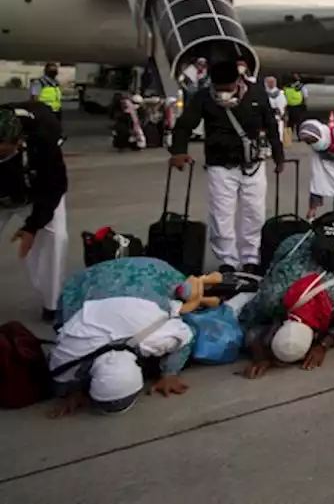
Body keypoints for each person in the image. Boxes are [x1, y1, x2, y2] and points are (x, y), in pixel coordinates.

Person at [45, 257, 208, 417]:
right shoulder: (67, 355)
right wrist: (170, 373)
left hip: (140, 272)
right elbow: (186, 336)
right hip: (98, 278)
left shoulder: (152, 338)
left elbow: (187, 335)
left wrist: (170, 374)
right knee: (64, 321)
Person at [170, 59, 285, 274]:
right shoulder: (204, 97)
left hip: (253, 166)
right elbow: (184, 125)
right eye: (219, 89)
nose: (223, 94)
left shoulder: (257, 94)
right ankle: (228, 261)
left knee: (255, 213)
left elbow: (271, 125)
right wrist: (178, 151)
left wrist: (279, 157)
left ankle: (250, 258)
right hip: (220, 166)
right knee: (221, 215)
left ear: (238, 80)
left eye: (228, 89)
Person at [239, 221, 334, 379]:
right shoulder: (272, 298)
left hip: (317, 249)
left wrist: (322, 346)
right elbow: (247, 317)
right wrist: (260, 356)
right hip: (296, 243)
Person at [1, 102, 68, 321]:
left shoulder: (44, 138)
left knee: (54, 237)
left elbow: (55, 187)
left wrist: (32, 226)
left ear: (19, 142)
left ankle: (51, 303)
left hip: (35, 191)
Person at [262, 76, 289, 145]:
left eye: (272, 82)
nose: (271, 84)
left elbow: (285, 105)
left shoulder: (281, 93)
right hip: (267, 118)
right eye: (269, 82)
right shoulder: (263, 93)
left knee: (278, 136)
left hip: (278, 117)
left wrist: (285, 115)